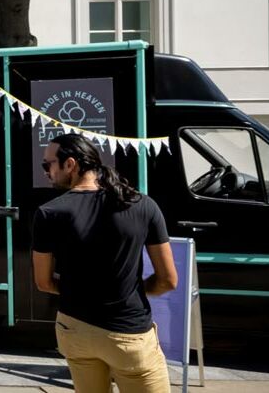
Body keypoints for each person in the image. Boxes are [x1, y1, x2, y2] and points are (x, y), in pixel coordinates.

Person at [32, 134, 177, 393]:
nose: (46, 172)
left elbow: (43, 282)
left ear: (70, 164)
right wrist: (130, 293)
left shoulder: (49, 213)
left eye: (48, 165)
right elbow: (168, 280)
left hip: (74, 328)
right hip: (128, 332)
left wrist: (80, 293)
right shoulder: (143, 206)